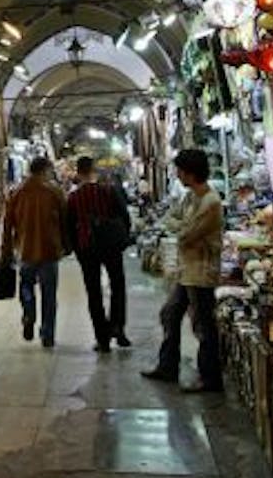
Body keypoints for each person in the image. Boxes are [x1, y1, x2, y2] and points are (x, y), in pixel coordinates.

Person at [142, 149, 224, 393]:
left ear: (190, 173)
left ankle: (210, 378)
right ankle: (168, 366)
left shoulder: (210, 202)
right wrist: (182, 228)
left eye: (179, 170)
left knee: (203, 326)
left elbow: (188, 236)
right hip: (186, 271)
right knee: (170, 314)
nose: (177, 175)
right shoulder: (190, 198)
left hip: (201, 272)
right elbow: (171, 220)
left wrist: (182, 229)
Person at [66, 157, 131, 352]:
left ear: (78, 172)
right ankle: (118, 328)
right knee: (117, 286)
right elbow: (124, 216)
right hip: (111, 246)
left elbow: (69, 227)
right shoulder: (109, 191)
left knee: (94, 292)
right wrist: (122, 239)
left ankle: (102, 338)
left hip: (87, 248)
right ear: (94, 170)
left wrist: (76, 250)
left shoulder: (74, 198)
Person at [3, 155, 67, 347]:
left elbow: (7, 225)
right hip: (49, 250)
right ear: (45, 170)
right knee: (49, 294)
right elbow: (65, 221)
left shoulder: (17, 192)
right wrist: (67, 244)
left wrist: (5, 250)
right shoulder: (54, 191)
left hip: (25, 250)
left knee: (26, 286)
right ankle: (47, 335)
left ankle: (29, 313)